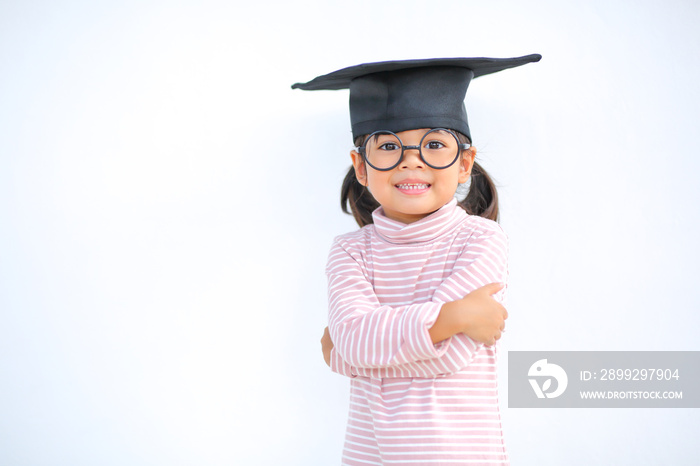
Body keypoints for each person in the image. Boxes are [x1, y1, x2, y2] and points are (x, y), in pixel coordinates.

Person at [293, 54, 541, 465]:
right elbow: (358, 340)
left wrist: (349, 353)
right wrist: (452, 318)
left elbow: (448, 355)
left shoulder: (480, 240)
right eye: (389, 145)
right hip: (370, 456)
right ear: (361, 166)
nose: (412, 159)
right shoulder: (351, 252)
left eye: (435, 145)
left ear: (464, 164)